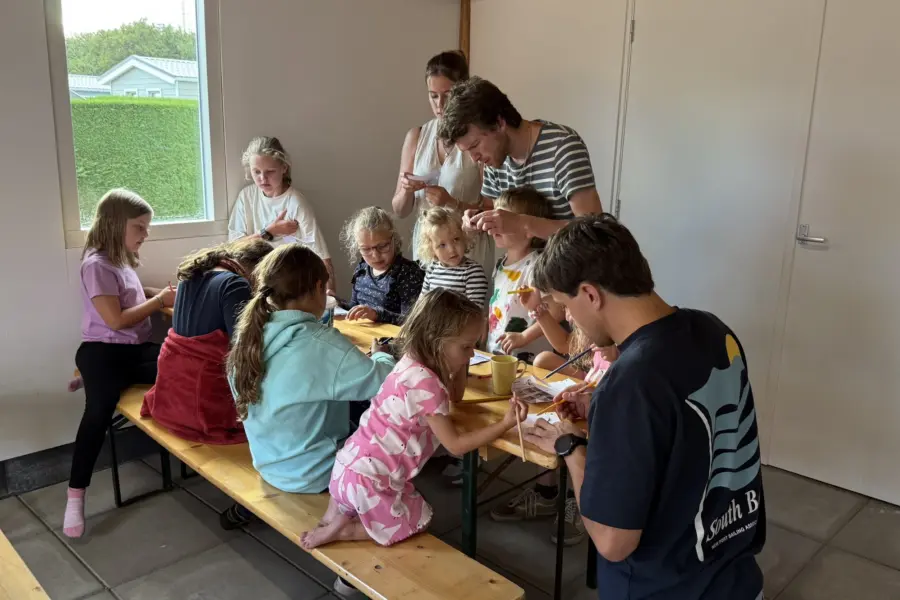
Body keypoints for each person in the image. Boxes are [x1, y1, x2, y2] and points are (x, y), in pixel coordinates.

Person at [524, 214, 766, 600]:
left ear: (590, 294)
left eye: (564, 305)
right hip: (733, 576)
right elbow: (685, 430)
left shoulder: (630, 382)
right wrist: (605, 416)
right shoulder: (714, 331)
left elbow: (612, 540)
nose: (568, 317)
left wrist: (571, 447)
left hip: (665, 586)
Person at [300, 289, 528, 549]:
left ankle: (336, 518)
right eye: (466, 347)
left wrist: (460, 361)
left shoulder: (409, 363)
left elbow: (455, 396)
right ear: (435, 341)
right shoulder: (428, 387)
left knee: (361, 500)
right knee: (419, 519)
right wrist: (505, 423)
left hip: (345, 469)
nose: (471, 355)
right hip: (371, 484)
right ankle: (346, 531)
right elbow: (456, 445)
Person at [227, 243, 397, 496]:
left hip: (271, 466)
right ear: (319, 288)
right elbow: (385, 385)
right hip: (317, 474)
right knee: (400, 434)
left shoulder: (250, 337)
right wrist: (383, 357)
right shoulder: (321, 342)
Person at [64, 189, 176, 538]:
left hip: (134, 349)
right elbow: (115, 320)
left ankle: (86, 373)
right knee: (98, 411)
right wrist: (160, 301)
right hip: (104, 351)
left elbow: (134, 294)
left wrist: (168, 294)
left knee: (182, 368)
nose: (146, 234)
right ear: (116, 225)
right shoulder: (96, 264)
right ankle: (75, 495)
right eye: (140, 227)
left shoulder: (121, 260)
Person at [142, 238, 273, 446]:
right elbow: (245, 347)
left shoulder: (192, 274)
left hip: (172, 393)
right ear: (259, 270)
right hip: (203, 402)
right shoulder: (235, 284)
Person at [438, 76, 603, 240]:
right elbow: (493, 207)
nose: (474, 158)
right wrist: (480, 217)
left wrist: (522, 223)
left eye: (474, 145)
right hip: (522, 266)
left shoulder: (562, 147)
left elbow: (593, 230)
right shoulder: (494, 159)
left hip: (569, 264)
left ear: (499, 123)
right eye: (467, 151)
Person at [392, 51, 493, 278]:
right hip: (428, 249)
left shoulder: (478, 137)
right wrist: (407, 191)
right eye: (433, 96)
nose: (441, 104)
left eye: (448, 94)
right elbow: (399, 210)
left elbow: (494, 208)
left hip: (468, 249)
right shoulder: (417, 136)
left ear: (463, 91)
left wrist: (451, 203)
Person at [227, 136, 336, 294]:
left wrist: (330, 293)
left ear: (284, 168)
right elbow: (233, 247)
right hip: (254, 281)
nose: (262, 179)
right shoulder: (247, 196)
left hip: (290, 283)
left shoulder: (296, 202)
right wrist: (269, 232)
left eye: (270, 172)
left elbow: (322, 256)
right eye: (256, 172)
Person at [485, 188, 560, 357]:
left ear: (529, 230)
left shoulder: (537, 266)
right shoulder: (500, 264)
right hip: (497, 353)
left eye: (504, 220)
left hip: (529, 360)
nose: (496, 225)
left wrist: (524, 337)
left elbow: (557, 308)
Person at [340, 206, 424, 325]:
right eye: (366, 249)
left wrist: (377, 314)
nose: (375, 255)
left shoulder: (407, 272)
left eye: (383, 246)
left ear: (394, 239)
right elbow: (354, 308)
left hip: (392, 340)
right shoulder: (361, 270)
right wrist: (337, 303)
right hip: (364, 335)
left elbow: (412, 321)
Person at [519, 287, 619, 384]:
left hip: (604, 389)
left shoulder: (622, 343)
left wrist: (614, 361)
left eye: (566, 306)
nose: (567, 318)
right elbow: (565, 344)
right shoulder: (595, 332)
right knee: (544, 360)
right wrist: (537, 308)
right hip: (591, 381)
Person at [417, 206, 489, 308]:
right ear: (431, 249)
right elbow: (422, 304)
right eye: (442, 245)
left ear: (464, 237)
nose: (451, 250)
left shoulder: (473, 272)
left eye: (456, 239)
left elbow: (475, 315)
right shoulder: (432, 269)